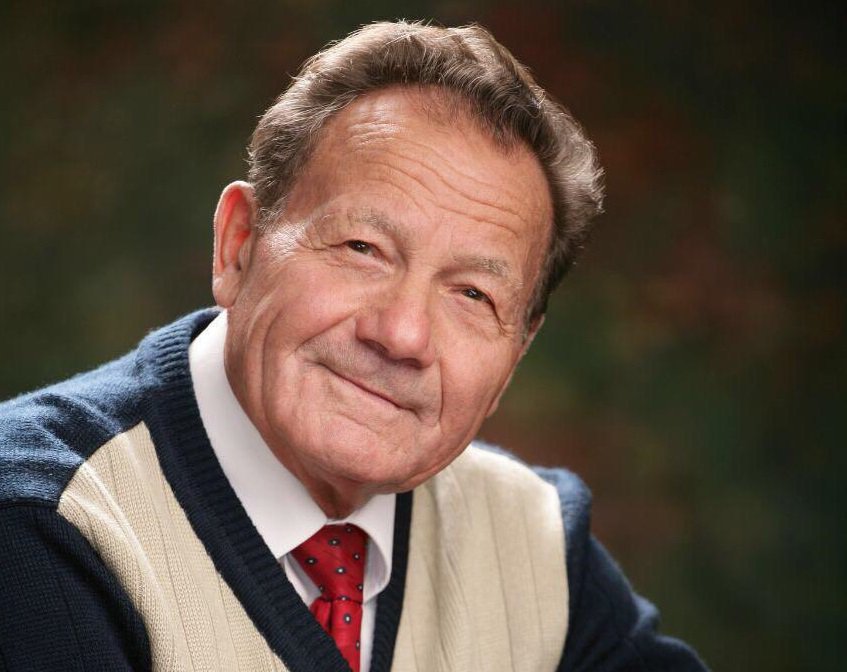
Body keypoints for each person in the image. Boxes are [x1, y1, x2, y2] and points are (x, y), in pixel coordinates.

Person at [0, 20, 708, 672]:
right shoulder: (41, 525)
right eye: (362, 248)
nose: (402, 335)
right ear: (238, 246)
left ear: (516, 353)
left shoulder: (536, 549)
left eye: (472, 294)